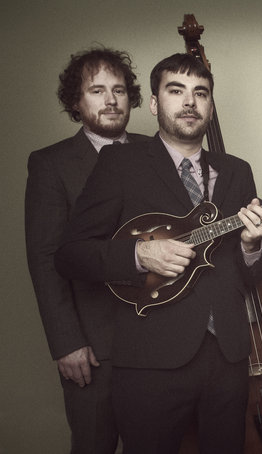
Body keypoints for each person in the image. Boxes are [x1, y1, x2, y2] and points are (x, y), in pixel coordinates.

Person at [54, 53, 262, 454]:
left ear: (210, 105)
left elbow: (248, 275)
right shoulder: (120, 164)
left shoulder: (237, 171)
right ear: (156, 103)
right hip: (149, 362)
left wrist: (251, 246)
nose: (190, 102)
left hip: (228, 357)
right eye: (176, 91)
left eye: (201, 93)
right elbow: (71, 256)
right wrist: (141, 255)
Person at [24, 47, 147, 454]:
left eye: (119, 90)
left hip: (161, 339)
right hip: (93, 346)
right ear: (76, 102)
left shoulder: (157, 152)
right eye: (97, 90)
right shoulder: (51, 164)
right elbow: (45, 259)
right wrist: (66, 342)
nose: (111, 100)